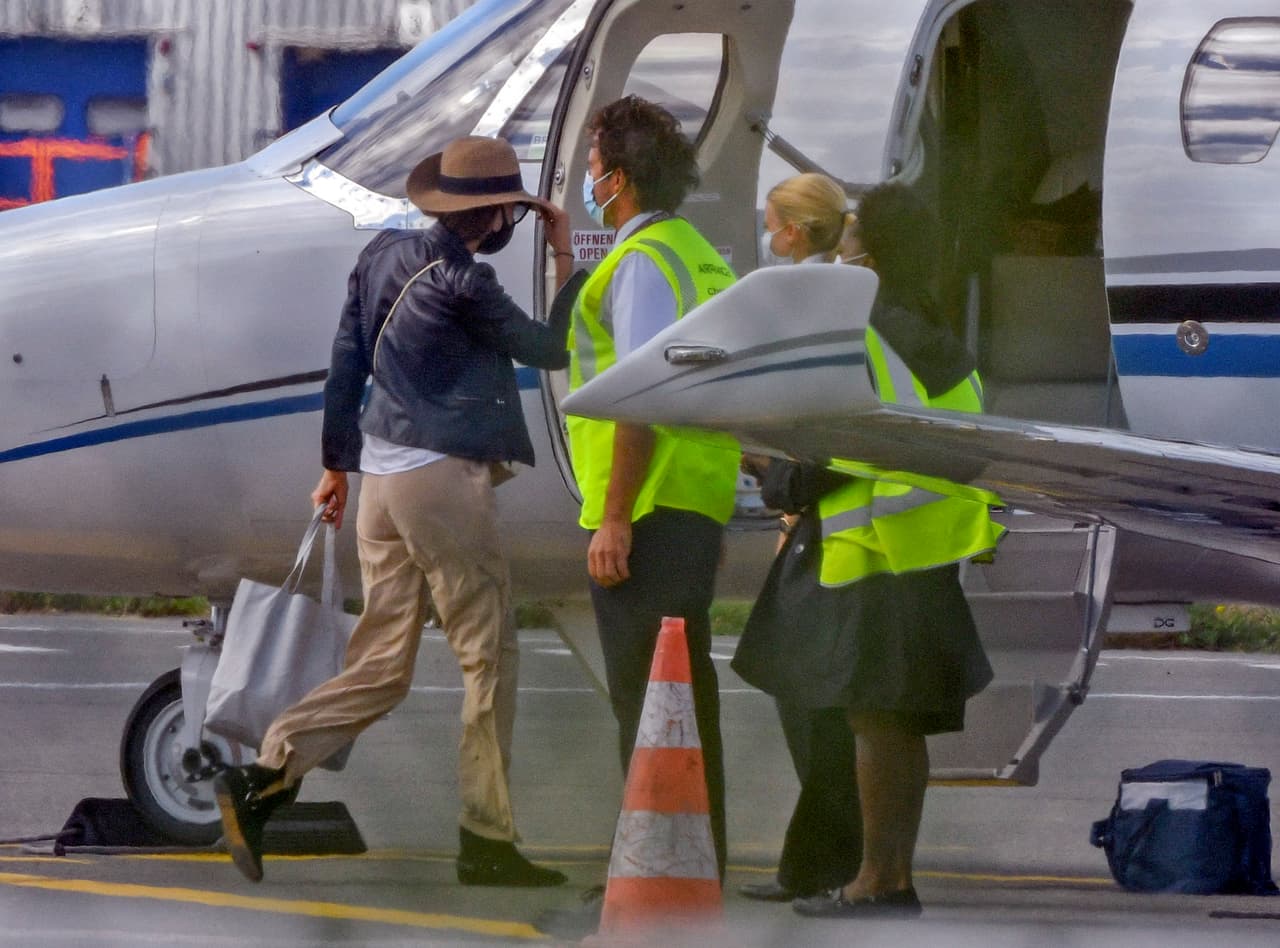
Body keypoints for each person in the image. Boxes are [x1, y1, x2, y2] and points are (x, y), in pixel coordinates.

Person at [213, 135, 584, 887]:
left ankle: (266, 774)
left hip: (381, 475)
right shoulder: (466, 280)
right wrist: (565, 262)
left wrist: (334, 465)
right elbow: (549, 348)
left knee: (383, 663)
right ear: (497, 213)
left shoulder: (382, 253)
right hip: (441, 479)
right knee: (488, 657)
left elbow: (345, 359)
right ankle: (486, 839)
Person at [735, 181, 1004, 920]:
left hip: (877, 551)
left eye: (852, 234)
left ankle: (878, 883)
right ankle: (885, 875)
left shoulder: (871, 327)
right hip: (923, 547)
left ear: (869, 250)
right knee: (897, 724)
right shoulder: (930, 327)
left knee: (877, 723)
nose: (843, 244)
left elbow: (846, 442)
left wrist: (776, 474)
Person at [565, 95, 740, 880]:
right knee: (686, 698)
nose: (588, 179)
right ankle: (698, 862)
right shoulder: (700, 256)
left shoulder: (639, 265)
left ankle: (655, 871)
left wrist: (614, 520)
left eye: (595, 167)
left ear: (622, 179)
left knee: (644, 703)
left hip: (648, 510)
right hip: (695, 501)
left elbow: (636, 401)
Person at [737, 173, 863, 903]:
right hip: (827, 526)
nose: (767, 232)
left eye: (772, 221)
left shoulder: (803, 301)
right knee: (813, 701)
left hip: (829, 529)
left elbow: (819, 437)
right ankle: (822, 858)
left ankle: (820, 862)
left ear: (794, 229)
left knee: (810, 702)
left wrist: (771, 474)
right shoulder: (842, 293)